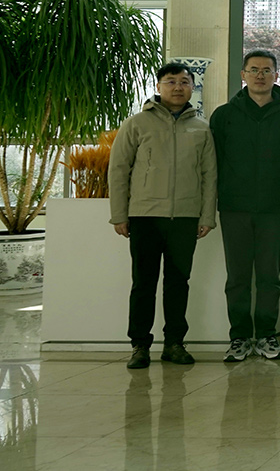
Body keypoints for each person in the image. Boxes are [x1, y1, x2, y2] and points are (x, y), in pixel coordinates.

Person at [108, 62, 217, 369]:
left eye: (184, 82)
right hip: (145, 216)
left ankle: (174, 344)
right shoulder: (137, 124)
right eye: (171, 81)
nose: (178, 87)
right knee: (143, 283)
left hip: (185, 217)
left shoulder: (201, 128)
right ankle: (140, 346)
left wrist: (206, 216)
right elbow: (118, 170)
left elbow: (209, 176)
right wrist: (119, 214)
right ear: (158, 87)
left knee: (178, 283)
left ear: (192, 87)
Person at [209, 49, 280, 362]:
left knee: (270, 277)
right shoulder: (224, 116)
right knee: (238, 278)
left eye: (266, 70)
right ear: (243, 75)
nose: (260, 75)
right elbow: (214, 161)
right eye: (254, 69)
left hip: (275, 208)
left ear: (276, 75)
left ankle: (267, 335)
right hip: (235, 207)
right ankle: (240, 338)